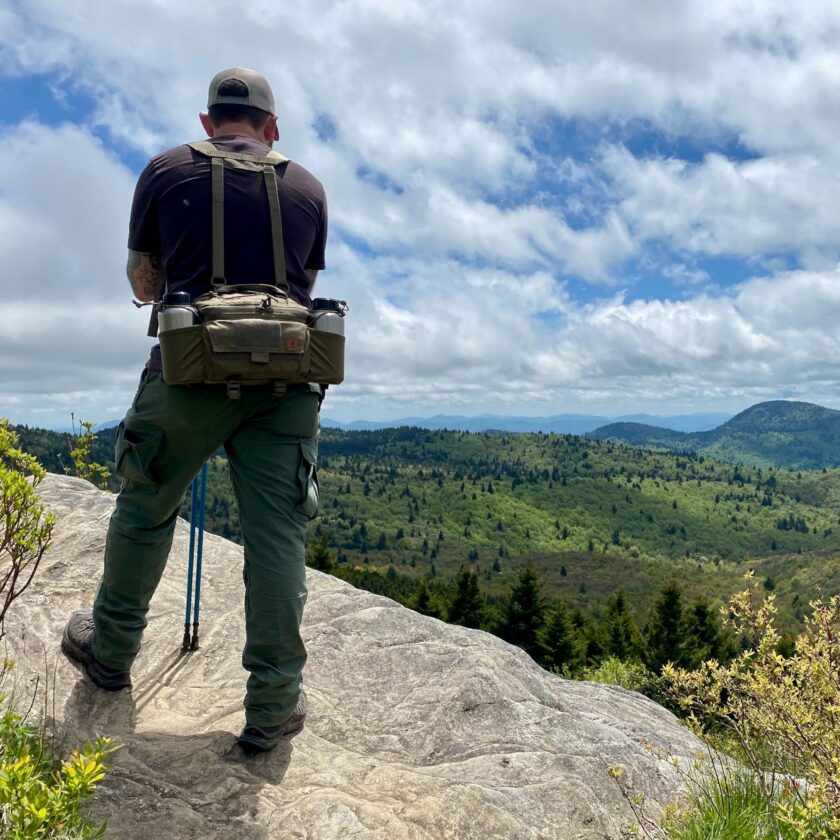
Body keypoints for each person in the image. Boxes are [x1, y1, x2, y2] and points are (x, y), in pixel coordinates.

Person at [61, 67, 328, 754]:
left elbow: (142, 279)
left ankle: (112, 655)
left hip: (185, 375)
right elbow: (301, 285)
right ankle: (272, 706)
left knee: (145, 508)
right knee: (277, 540)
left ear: (209, 121)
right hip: (286, 387)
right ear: (272, 128)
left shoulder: (164, 170)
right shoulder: (307, 187)